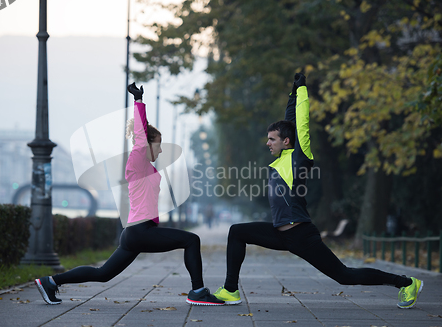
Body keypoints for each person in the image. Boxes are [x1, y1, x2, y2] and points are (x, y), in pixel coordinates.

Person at [213, 73, 423, 309]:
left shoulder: (299, 158)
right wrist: (292, 94)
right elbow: (290, 121)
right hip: (280, 233)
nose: (268, 143)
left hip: (301, 234)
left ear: (287, 142)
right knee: (237, 232)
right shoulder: (282, 160)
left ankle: (406, 283)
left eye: (272, 139)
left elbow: (300, 123)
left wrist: (302, 90)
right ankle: (230, 290)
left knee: (345, 276)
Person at [35, 83, 224, 306]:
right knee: (192, 240)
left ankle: (51, 282)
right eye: (159, 145)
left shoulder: (148, 168)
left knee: (103, 274)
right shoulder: (138, 161)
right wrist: (139, 102)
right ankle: (198, 291)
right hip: (139, 231)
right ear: (146, 144)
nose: (161, 150)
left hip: (136, 232)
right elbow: (141, 136)